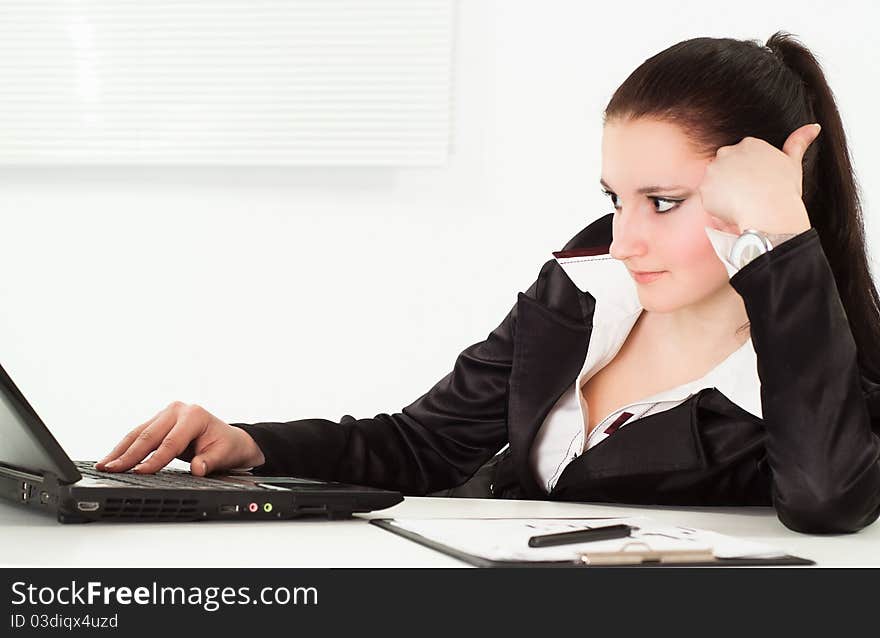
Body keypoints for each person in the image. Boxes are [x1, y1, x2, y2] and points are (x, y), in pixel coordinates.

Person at [95, 32, 880, 534]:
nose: (623, 238)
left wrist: (784, 239)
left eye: (663, 202)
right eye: (616, 198)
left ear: (773, 190)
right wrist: (253, 445)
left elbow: (822, 499)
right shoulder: (586, 288)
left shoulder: (817, 366)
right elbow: (423, 444)